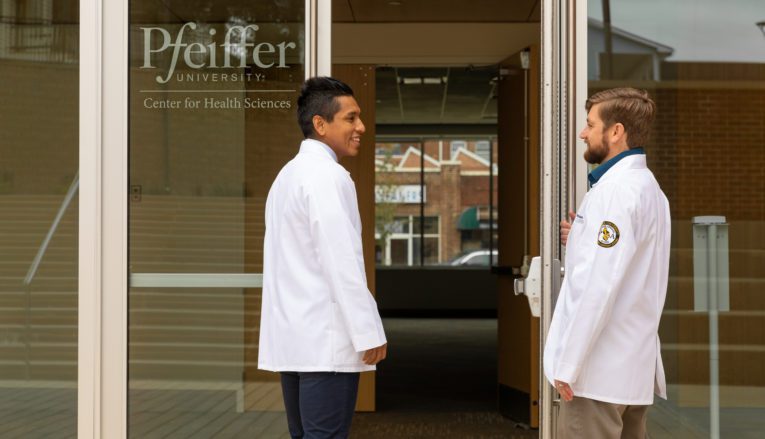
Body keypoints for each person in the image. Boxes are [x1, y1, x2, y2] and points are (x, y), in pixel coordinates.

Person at [258, 77, 388, 439]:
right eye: (351, 118)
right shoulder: (327, 177)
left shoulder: (287, 176)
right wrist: (368, 331)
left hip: (297, 340)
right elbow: (341, 260)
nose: (361, 127)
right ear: (320, 124)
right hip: (324, 343)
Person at [543, 88, 671, 438]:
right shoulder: (650, 189)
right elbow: (629, 262)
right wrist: (583, 237)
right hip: (631, 370)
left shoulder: (615, 192)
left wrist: (568, 364)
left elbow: (598, 284)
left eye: (590, 124)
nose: (583, 133)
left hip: (598, 375)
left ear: (616, 132)